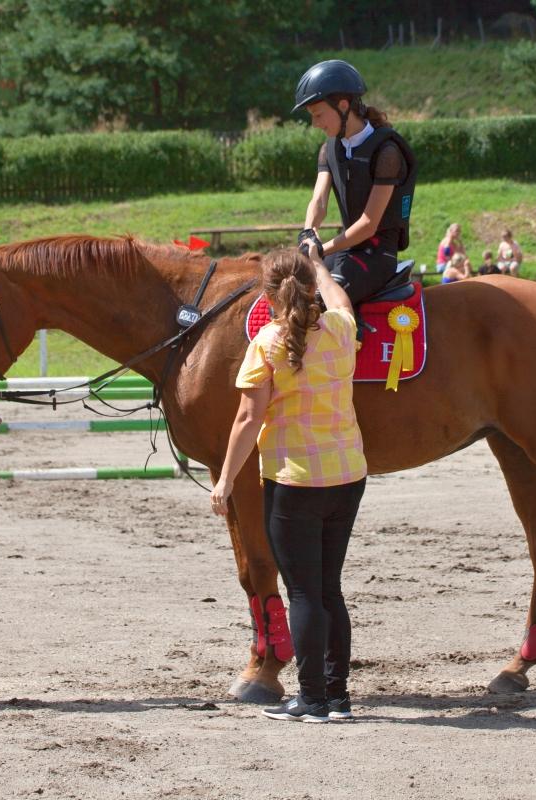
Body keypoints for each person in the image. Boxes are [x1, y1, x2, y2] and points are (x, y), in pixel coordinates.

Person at [210, 250, 368, 724]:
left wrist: (225, 479)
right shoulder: (340, 330)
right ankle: (337, 697)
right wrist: (320, 266)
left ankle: (312, 699)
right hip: (348, 474)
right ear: (312, 289)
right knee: (329, 589)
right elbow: (342, 303)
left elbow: (247, 418)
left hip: (294, 480)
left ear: (267, 296)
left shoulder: (267, 342)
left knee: (302, 593)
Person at [292, 59, 418, 305]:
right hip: (346, 249)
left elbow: (369, 225)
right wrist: (308, 234)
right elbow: (319, 201)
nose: (315, 124)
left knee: (317, 303)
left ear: (343, 105)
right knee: (291, 290)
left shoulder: (387, 152)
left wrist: (322, 249)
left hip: (376, 256)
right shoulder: (329, 149)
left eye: (318, 115)